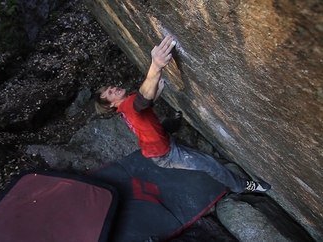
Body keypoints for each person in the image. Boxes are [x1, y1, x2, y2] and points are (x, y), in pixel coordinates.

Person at [94, 36, 271, 193]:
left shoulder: (125, 109)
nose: (114, 89)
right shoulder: (130, 105)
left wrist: (157, 93)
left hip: (155, 142)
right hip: (166, 154)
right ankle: (241, 186)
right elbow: (142, 99)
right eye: (110, 93)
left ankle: (176, 123)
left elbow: (143, 107)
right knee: (209, 164)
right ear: (111, 104)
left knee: (168, 124)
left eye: (111, 88)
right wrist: (155, 66)